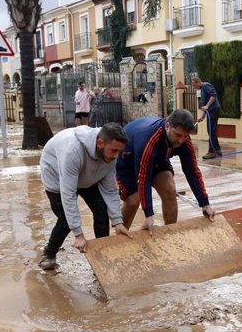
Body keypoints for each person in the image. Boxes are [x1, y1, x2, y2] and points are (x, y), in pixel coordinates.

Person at [39, 122, 131, 270]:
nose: (116, 156)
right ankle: (49, 254)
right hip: (56, 175)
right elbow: (68, 194)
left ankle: (102, 255)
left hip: (88, 175)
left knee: (101, 209)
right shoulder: (72, 151)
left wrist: (118, 221)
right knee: (65, 221)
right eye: (114, 151)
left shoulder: (110, 154)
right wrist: (78, 234)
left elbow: (110, 190)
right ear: (100, 143)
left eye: (119, 151)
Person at [116, 109, 216, 233]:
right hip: (128, 161)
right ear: (167, 126)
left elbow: (192, 172)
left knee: (170, 190)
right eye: (178, 135)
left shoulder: (184, 141)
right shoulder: (149, 139)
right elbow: (143, 178)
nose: (181, 140)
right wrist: (148, 214)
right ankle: (120, 237)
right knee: (133, 200)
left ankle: (170, 234)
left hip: (158, 158)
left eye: (185, 136)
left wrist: (205, 203)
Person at [191, 76, 222, 159]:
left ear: (198, 82)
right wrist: (202, 117)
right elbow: (205, 107)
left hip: (214, 110)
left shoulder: (206, 86)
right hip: (210, 111)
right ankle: (217, 149)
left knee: (211, 131)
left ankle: (211, 152)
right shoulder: (202, 89)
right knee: (211, 131)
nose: (194, 87)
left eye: (194, 85)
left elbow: (213, 95)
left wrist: (207, 106)